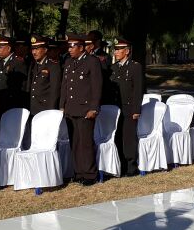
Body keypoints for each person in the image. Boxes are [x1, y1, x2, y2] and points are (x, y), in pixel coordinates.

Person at [60, 34, 102, 185]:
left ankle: (90, 174)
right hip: (71, 109)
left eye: (73, 47)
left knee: (86, 143)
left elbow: (97, 87)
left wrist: (94, 108)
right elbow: (65, 86)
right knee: (75, 142)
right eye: (69, 46)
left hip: (86, 109)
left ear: (81, 48)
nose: (70, 50)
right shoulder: (69, 62)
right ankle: (78, 172)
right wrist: (62, 105)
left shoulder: (92, 61)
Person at [109, 37, 144, 176]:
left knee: (128, 138)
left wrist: (136, 110)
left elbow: (138, 90)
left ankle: (131, 166)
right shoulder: (113, 68)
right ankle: (121, 165)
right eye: (115, 49)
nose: (116, 52)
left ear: (127, 51)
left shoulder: (135, 67)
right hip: (116, 108)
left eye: (118, 50)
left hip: (129, 108)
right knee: (117, 136)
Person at [27, 35, 61, 116]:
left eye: (37, 49)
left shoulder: (53, 66)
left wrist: (51, 111)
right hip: (32, 109)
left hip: (45, 109)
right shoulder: (32, 65)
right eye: (33, 49)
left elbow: (55, 91)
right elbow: (29, 87)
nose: (34, 52)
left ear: (45, 50)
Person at [0, 35, 28, 116]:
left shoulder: (18, 62)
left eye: (1, 47)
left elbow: (21, 86)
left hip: (12, 105)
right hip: (0, 103)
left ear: (9, 48)